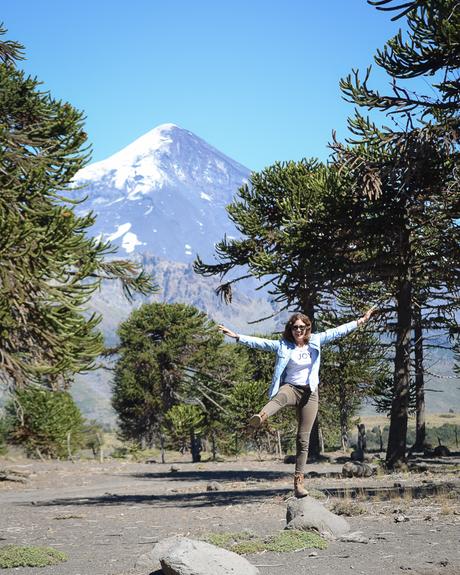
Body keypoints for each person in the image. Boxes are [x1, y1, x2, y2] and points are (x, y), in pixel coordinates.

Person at [218, 307, 376, 498]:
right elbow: (260, 343)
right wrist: (237, 336)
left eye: (302, 327)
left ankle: (298, 483)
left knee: (303, 439)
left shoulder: (316, 340)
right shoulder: (283, 345)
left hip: (310, 392)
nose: (298, 330)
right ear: (290, 329)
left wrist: (361, 321)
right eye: (295, 327)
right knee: (280, 397)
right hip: (291, 388)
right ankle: (260, 417)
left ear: (308, 328)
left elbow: (337, 331)